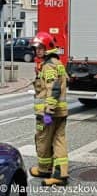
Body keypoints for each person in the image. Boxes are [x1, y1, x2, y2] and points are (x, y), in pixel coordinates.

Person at [29, 32, 69, 186]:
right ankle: (58, 173)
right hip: (60, 112)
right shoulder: (55, 63)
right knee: (58, 140)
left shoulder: (49, 66)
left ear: (48, 48)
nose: (37, 51)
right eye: (36, 48)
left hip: (49, 113)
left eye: (40, 48)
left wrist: (48, 112)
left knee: (43, 140)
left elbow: (54, 89)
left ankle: (46, 170)